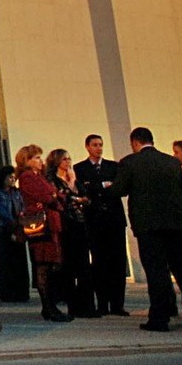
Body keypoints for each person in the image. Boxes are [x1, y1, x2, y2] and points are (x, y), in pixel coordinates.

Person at [113, 126, 182, 332]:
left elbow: (119, 190)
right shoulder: (172, 162)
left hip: (148, 225)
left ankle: (160, 316)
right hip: (176, 223)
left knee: (156, 271)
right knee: (181, 267)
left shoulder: (130, 162)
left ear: (135, 143)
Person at [14, 144, 70, 323]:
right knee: (43, 264)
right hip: (40, 225)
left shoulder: (39, 176)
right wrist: (54, 196)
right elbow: (48, 196)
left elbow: (56, 195)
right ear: (27, 161)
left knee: (51, 264)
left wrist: (55, 196)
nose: (40, 161)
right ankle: (48, 306)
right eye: (36, 158)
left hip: (51, 222)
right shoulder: (27, 177)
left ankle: (50, 305)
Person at [74, 134, 128, 316]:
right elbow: (83, 189)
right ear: (87, 147)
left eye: (101, 145)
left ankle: (118, 303)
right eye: (95, 145)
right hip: (94, 220)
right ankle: (103, 302)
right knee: (99, 262)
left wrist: (96, 186)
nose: (99, 148)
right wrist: (102, 185)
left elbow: (118, 188)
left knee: (118, 262)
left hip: (114, 219)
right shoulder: (80, 168)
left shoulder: (113, 166)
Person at [48, 149, 96, 317]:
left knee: (84, 266)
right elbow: (62, 198)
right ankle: (73, 305)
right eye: (64, 159)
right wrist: (72, 189)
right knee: (68, 267)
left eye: (69, 159)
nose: (68, 162)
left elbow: (87, 198)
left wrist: (77, 194)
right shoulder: (53, 179)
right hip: (64, 224)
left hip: (79, 222)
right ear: (56, 162)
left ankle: (88, 306)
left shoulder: (73, 177)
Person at [0, 166, 29, 303]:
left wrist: (21, 216)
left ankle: (21, 291)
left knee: (19, 260)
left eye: (14, 177)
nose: (12, 180)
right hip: (1, 227)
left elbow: (22, 204)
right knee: (4, 260)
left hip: (17, 228)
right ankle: (7, 292)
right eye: (10, 177)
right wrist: (10, 218)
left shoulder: (16, 192)